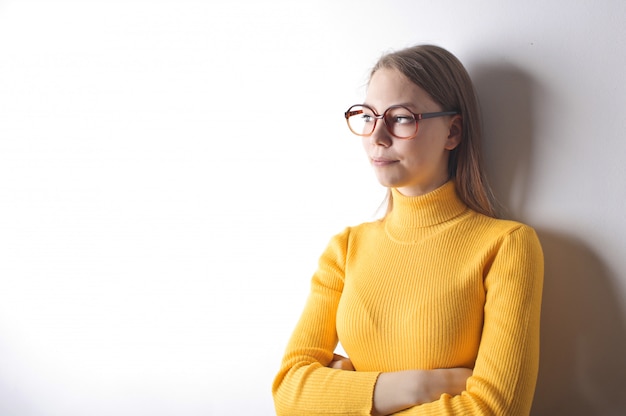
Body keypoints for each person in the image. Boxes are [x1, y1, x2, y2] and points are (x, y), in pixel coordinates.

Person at [272, 44, 544, 415]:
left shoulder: (506, 246)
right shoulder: (345, 248)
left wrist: (347, 396)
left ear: (453, 132)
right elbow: (288, 392)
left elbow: (495, 409)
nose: (377, 137)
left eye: (401, 118)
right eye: (368, 116)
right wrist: (418, 387)